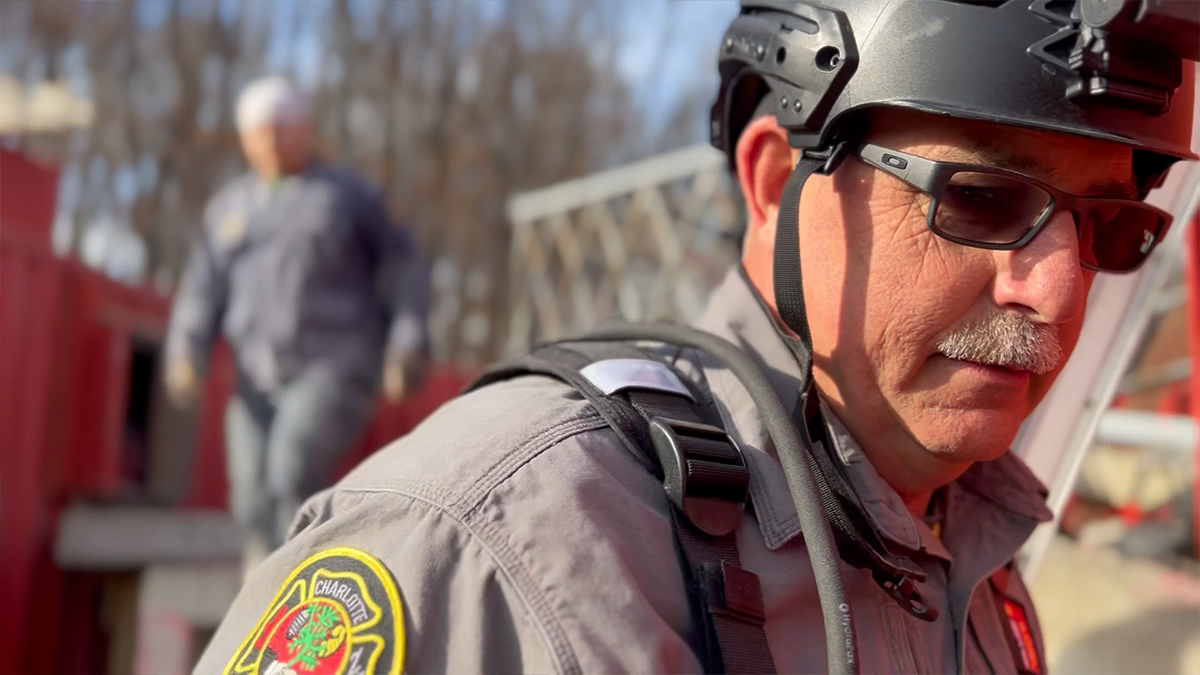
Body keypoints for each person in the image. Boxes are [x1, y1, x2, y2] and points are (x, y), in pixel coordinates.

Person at [195, 2, 1195, 673]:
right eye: (980, 197)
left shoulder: (980, 566)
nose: (1059, 291)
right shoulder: (492, 545)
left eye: (1109, 230)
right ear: (774, 187)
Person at [164, 76, 431, 573]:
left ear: (305, 130)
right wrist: (185, 349)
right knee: (249, 495)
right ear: (243, 139)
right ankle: (259, 593)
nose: (270, 143)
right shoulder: (229, 212)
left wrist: (407, 342)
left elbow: (404, 268)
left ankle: (298, 595)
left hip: (332, 364)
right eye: (258, 132)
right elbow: (201, 288)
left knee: (291, 470)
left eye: (281, 129)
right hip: (256, 379)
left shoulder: (348, 199)